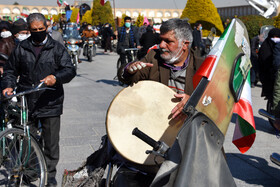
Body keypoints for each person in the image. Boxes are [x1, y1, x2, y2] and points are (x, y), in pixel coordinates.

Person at [1, 13, 76, 187]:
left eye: (41, 29)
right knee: (27, 139)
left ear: (46, 28)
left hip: (50, 101)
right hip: (28, 100)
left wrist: (55, 77)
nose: (38, 32)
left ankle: (49, 175)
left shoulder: (56, 48)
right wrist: (9, 85)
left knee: (50, 143)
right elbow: (11, 70)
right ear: (29, 29)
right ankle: (30, 171)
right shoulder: (21, 48)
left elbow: (69, 70)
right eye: (34, 30)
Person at [122, 18, 204, 119]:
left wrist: (192, 102)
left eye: (168, 41)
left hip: (186, 127)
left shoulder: (202, 67)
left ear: (184, 45)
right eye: (160, 40)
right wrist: (128, 70)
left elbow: (214, 102)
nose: (161, 45)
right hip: (155, 120)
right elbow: (129, 79)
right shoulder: (154, 57)